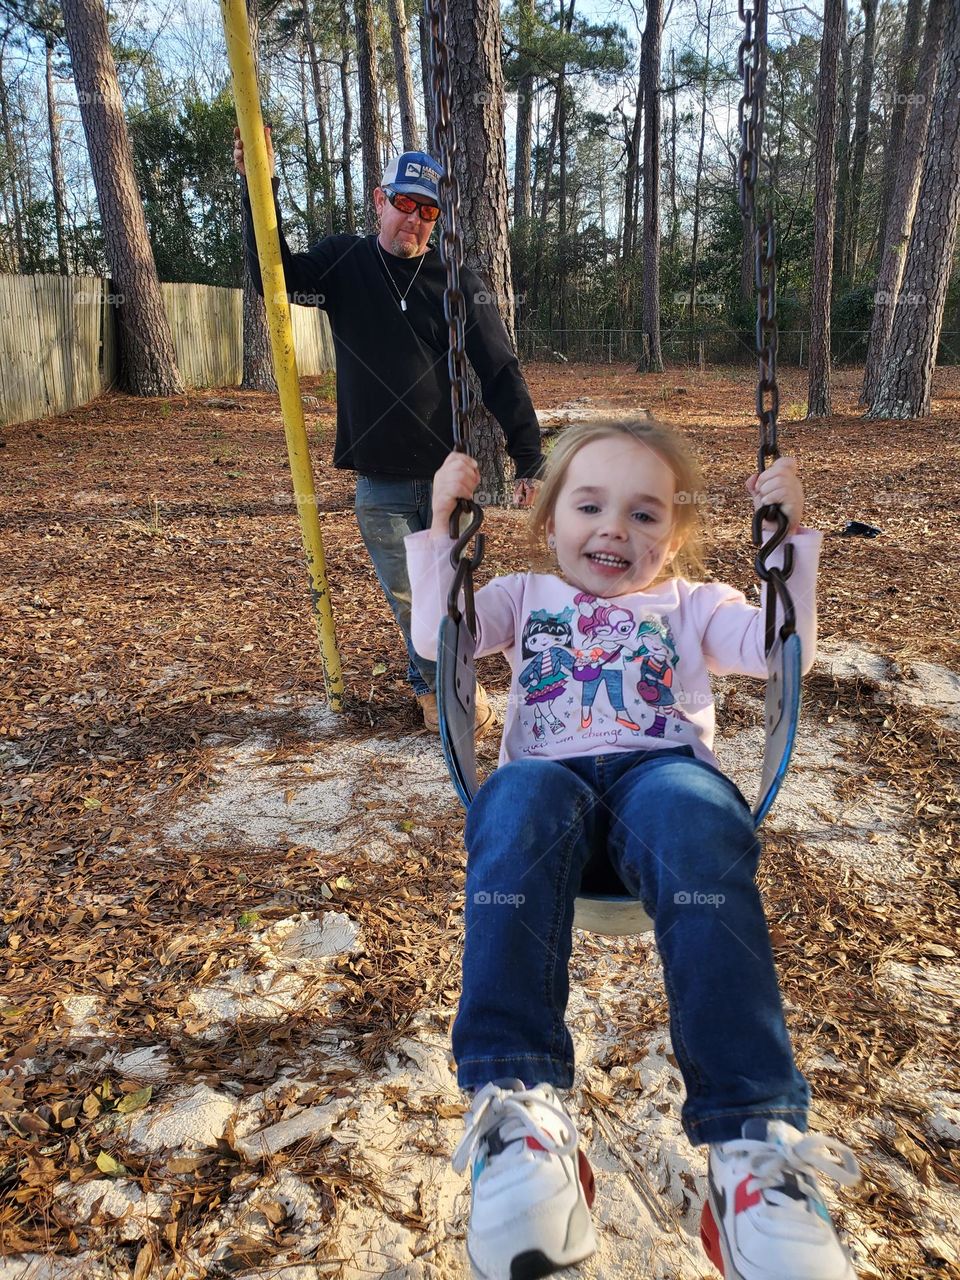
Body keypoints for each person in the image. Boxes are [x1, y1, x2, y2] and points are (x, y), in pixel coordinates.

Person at [405, 419, 862, 1280]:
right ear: (550, 523)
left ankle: (753, 1149)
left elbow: (777, 650)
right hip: (550, 806)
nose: (615, 528)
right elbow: (441, 645)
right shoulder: (520, 594)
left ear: (677, 537)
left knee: (700, 813)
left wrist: (790, 540)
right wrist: (442, 525)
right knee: (513, 796)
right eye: (590, 505)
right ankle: (520, 1116)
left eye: (646, 515)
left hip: (662, 795)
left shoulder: (694, 606)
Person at [233, 128, 544, 734]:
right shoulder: (346, 262)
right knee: (409, 598)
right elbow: (276, 274)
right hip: (378, 480)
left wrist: (528, 454)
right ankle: (439, 693)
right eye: (405, 204)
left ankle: (437, 686)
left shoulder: (457, 283)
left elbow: (500, 370)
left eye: (428, 211)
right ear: (380, 199)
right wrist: (258, 186)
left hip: (445, 482)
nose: (415, 221)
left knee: (449, 596)